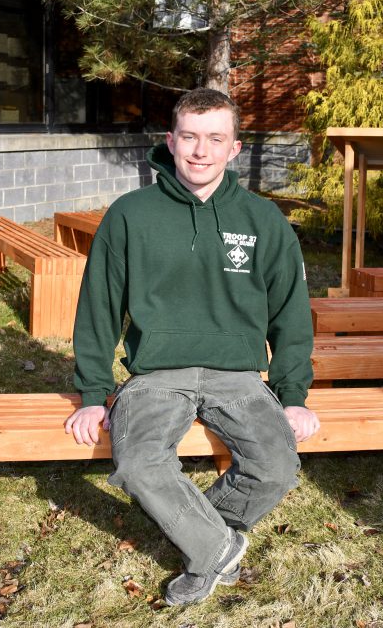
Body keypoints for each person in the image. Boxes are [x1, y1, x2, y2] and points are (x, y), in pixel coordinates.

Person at [64, 87, 319, 605]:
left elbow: (290, 314)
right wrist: (93, 393)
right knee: (137, 464)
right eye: (190, 137)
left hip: (239, 376)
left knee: (277, 465)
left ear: (235, 149)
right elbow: (99, 307)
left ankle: (207, 545)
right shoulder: (131, 214)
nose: (201, 151)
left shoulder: (263, 220)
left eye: (215, 139)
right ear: (171, 141)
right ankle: (217, 549)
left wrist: (293, 394)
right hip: (157, 374)